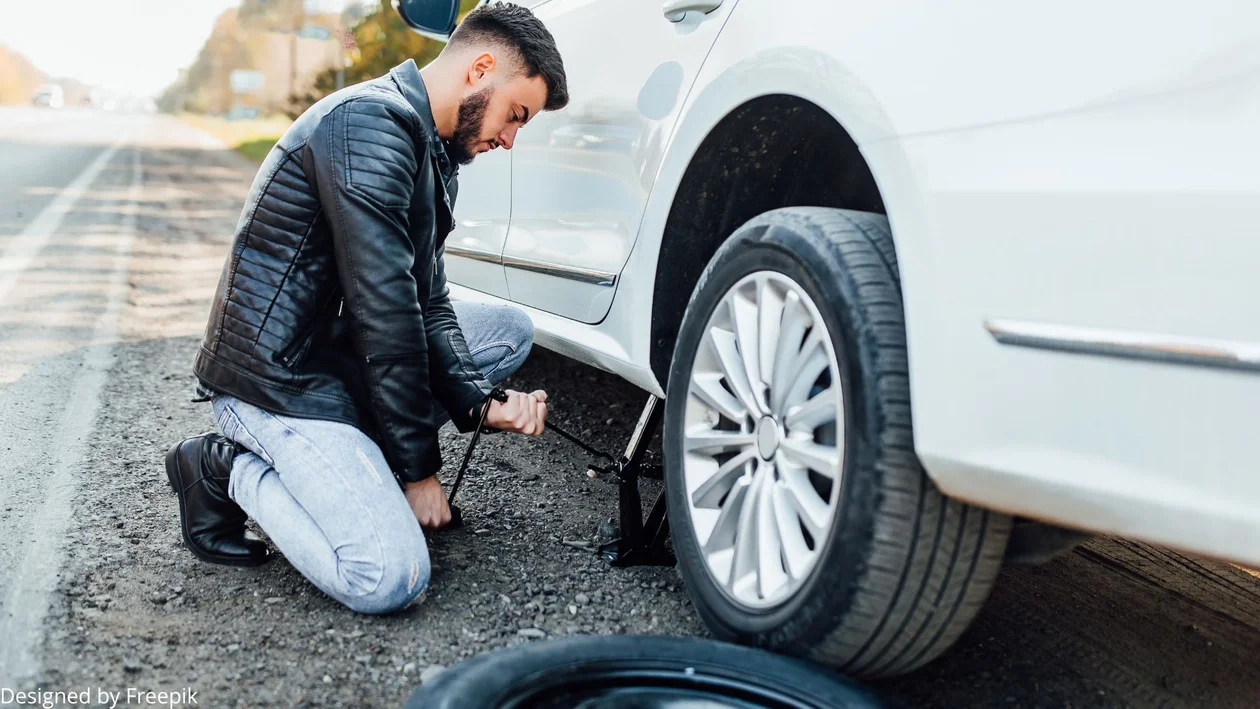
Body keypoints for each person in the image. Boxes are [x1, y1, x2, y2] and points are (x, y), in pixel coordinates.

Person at [164, 2, 568, 615]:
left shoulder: (434, 150)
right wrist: (418, 474)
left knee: (508, 330)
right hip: (278, 381)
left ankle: (354, 463)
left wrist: (480, 402)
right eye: (516, 115)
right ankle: (223, 468)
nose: (510, 139)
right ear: (481, 67)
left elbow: (428, 302)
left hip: (336, 356)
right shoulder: (368, 126)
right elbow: (388, 315)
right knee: (388, 575)